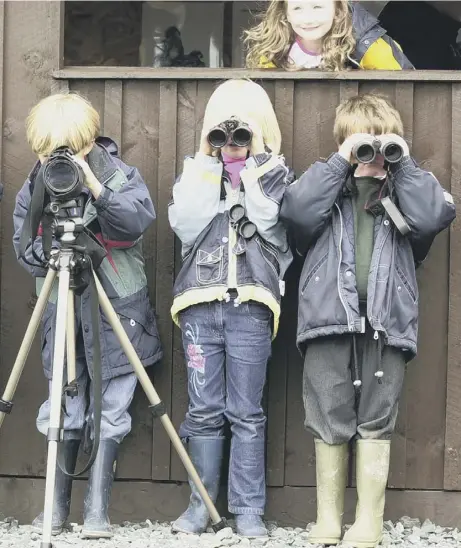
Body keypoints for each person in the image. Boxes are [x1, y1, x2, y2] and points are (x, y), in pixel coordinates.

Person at [279, 94, 455, 547]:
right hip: (327, 319)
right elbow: (295, 212)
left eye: (383, 146)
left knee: (377, 415)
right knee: (328, 410)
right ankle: (328, 520)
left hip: (385, 321)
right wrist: (341, 163)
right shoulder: (324, 190)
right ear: (343, 144)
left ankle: (369, 522)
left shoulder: (406, 190)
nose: (373, 154)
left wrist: (404, 164)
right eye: (362, 144)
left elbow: (434, 215)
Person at [12, 92, 163, 539]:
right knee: (64, 399)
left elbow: (136, 221)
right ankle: (56, 509)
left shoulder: (116, 174)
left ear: (90, 141)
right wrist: (54, 247)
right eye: (47, 152)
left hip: (117, 304)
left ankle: (97, 511)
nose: (57, 160)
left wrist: (95, 187)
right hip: (63, 305)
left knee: (113, 402)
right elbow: (25, 247)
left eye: (68, 151)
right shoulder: (36, 181)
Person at [168, 79, 293, 538]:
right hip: (201, 305)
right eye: (222, 132)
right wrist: (206, 160)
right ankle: (200, 506)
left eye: (242, 132)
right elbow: (186, 223)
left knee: (247, 411)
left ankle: (247, 509)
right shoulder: (198, 173)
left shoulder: (277, 174)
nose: (231, 143)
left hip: (252, 307)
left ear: (262, 131)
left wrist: (256, 162)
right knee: (203, 410)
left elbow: (271, 221)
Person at [244, 0, 413, 71]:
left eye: (317, 7)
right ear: (286, 14)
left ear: (337, 11)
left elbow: (403, 93)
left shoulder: (369, 46)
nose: (308, 19)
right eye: (297, 8)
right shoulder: (274, 49)